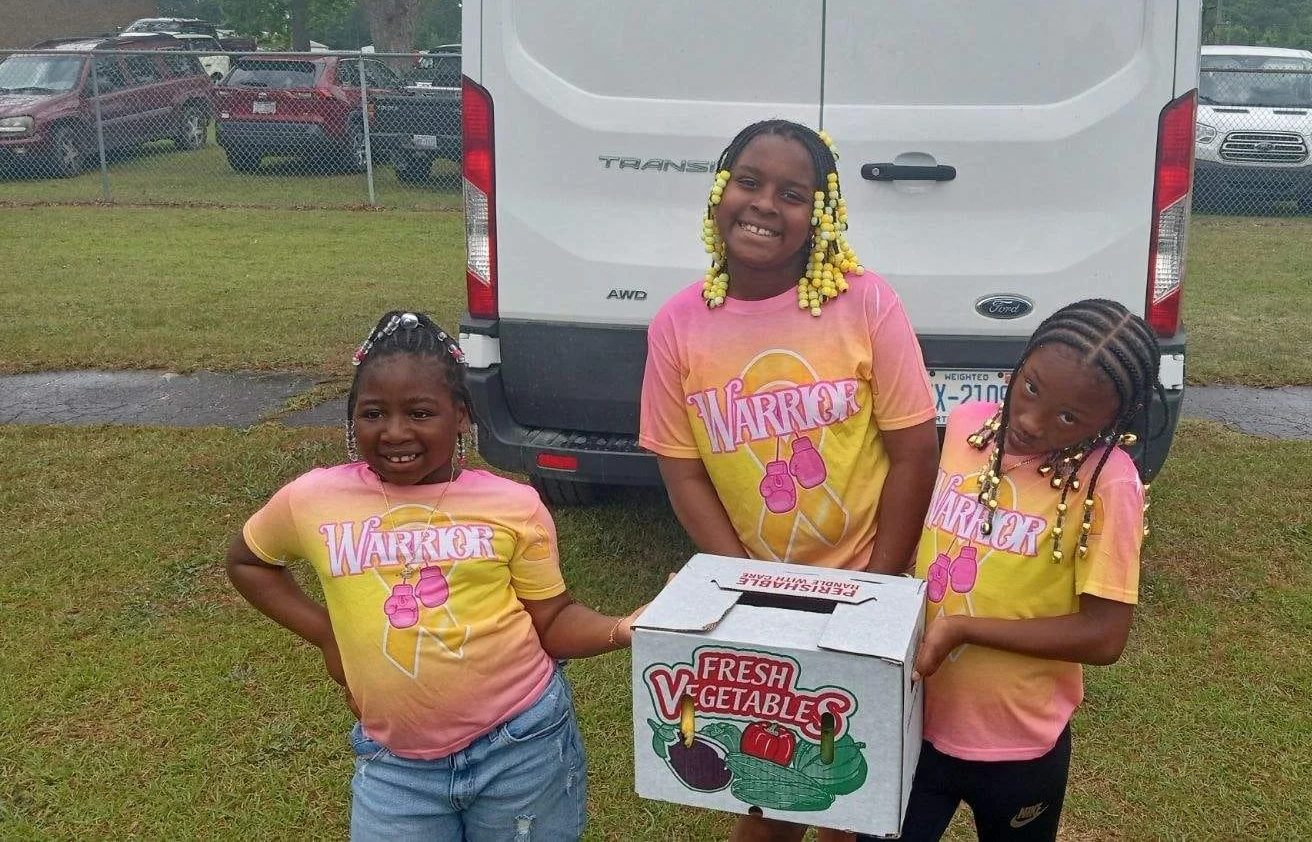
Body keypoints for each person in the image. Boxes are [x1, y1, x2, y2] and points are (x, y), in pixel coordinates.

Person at [226, 310, 637, 842]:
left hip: (521, 745)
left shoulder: (514, 506)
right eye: (373, 413)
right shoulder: (312, 501)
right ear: (352, 418)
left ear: (461, 415)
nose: (395, 432)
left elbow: (553, 620)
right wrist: (327, 633)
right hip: (395, 764)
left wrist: (622, 627)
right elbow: (249, 561)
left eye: (420, 412)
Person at [639, 120, 940, 841]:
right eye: (748, 181)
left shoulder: (866, 303)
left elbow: (914, 452)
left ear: (821, 216)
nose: (765, 204)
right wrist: (746, 588)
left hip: (868, 579)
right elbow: (683, 473)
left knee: (850, 787)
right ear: (720, 192)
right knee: (767, 785)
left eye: (793, 193)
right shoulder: (678, 326)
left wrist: (877, 589)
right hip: (759, 596)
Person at [901, 299, 1164, 842]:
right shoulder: (969, 426)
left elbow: (1104, 635)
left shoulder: (1108, 482)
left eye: (1068, 418)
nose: (1029, 420)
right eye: (1031, 387)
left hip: (1018, 745)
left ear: (1114, 420)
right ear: (1020, 363)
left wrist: (964, 628)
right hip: (915, 718)